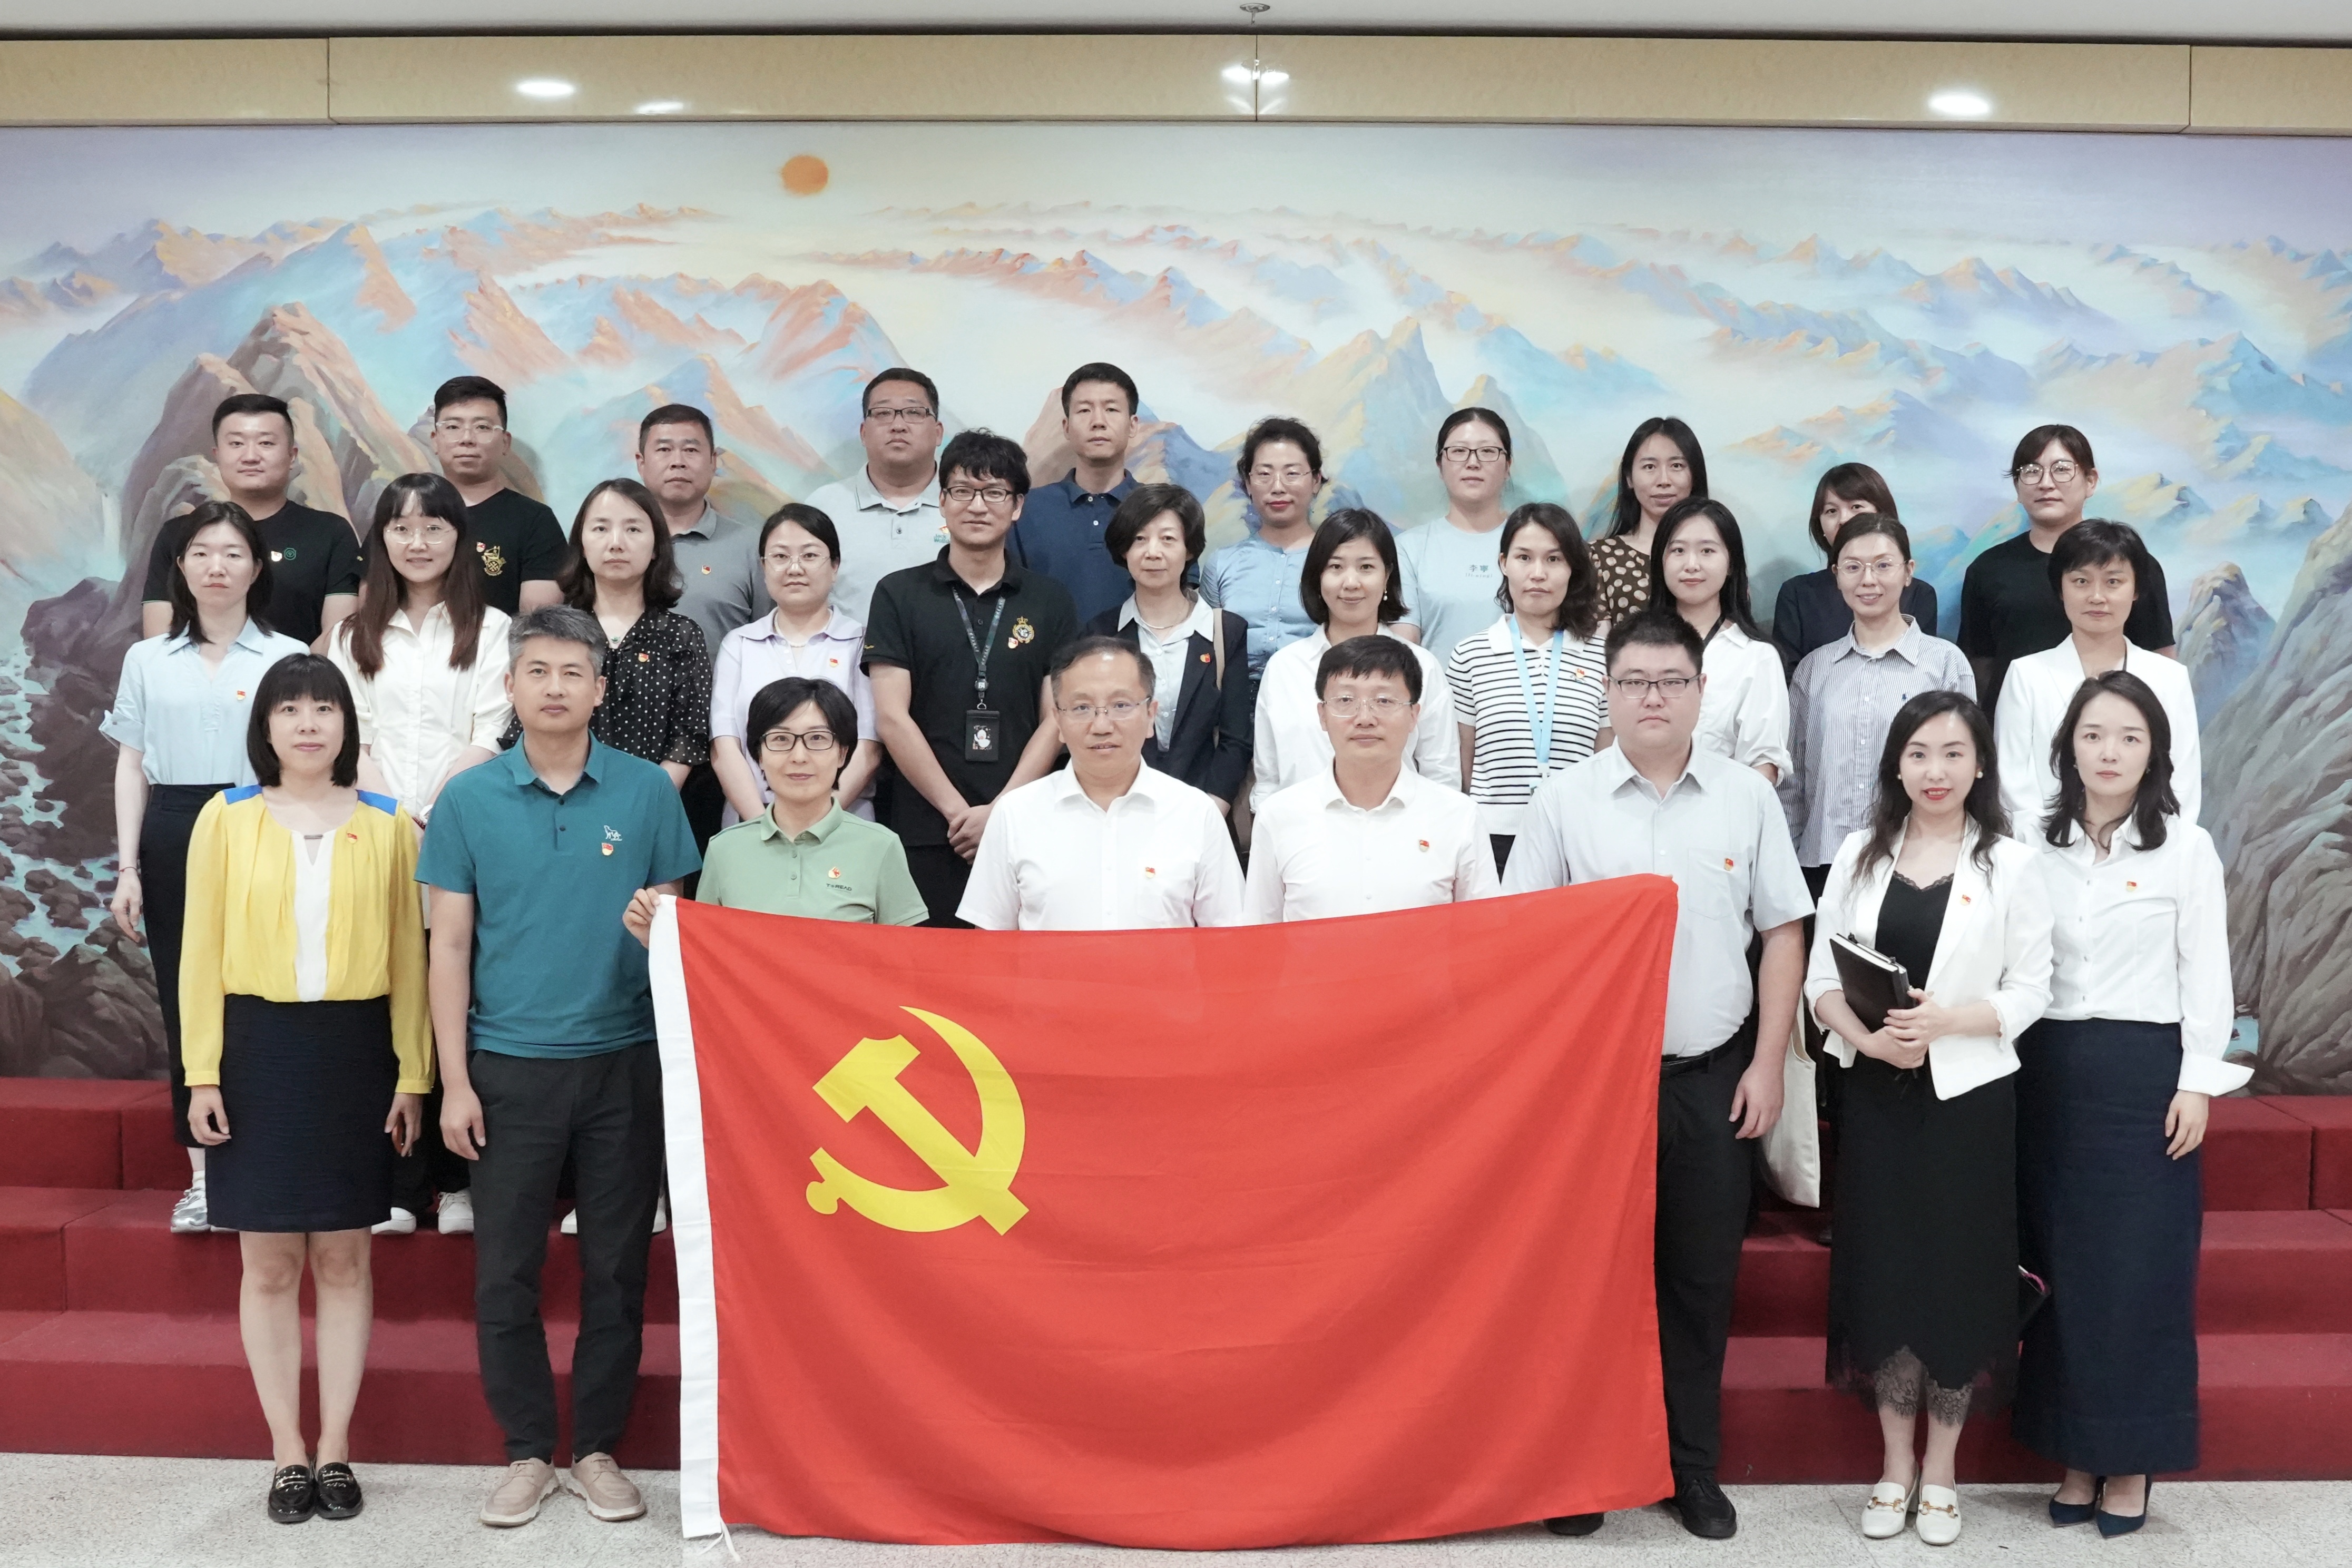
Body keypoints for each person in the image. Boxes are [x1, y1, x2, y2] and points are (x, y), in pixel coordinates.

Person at [1504, 611, 1810, 1542]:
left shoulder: (1745, 799)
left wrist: (1767, 1063)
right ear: (1607, 691)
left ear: (1699, 692)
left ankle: (1690, 1471)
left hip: (1711, 1078)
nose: (1652, 697)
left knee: (1696, 1284)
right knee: (1584, 1284)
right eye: (1633, 681)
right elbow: (1522, 944)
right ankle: (1578, 1469)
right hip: (1593, 1089)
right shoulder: (1563, 800)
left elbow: (1782, 932)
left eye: (1671, 681)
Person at [419, 606, 700, 1531]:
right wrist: (455, 1081)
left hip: (625, 1062)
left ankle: (598, 1450)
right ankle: (527, 1451)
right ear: (509, 686)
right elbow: (448, 946)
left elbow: (674, 930)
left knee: (617, 1267)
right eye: (536, 671)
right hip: (508, 1066)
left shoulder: (646, 792)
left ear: (600, 688)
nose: (553, 687)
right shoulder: (468, 799)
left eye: (573, 672)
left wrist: (657, 928)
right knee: (506, 1269)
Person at [178, 655, 431, 1526]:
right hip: (257, 1053)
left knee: (345, 1257)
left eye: (325, 708)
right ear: (266, 727)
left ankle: (335, 1448)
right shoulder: (225, 817)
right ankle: (287, 1450)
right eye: (290, 709)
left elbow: (410, 960)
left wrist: (413, 1074)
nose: (309, 724)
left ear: (347, 725)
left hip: (356, 1054)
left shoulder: (390, 824)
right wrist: (202, 1072)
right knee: (271, 1263)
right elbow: (199, 953)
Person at [1805, 692, 2052, 1546]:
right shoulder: (1858, 854)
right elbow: (1820, 981)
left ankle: (1940, 1473)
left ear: (1979, 765)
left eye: (1952, 753)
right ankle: (1892, 1467)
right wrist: (1869, 1042)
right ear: (1896, 766)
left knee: (1955, 1277)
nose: (1934, 770)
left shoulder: (2009, 865)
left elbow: (2031, 989)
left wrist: (1946, 1022)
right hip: (1877, 1096)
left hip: (1968, 1101)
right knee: (1884, 1273)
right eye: (1917, 754)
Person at [2016, 671, 2246, 1538]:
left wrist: (2196, 1079)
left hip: (2144, 1075)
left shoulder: (2184, 849)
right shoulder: (2031, 845)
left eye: (2128, 737)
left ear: (2154, 753)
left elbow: (2206, 972)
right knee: (2064, 1274)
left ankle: (2132, 1460)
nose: (2108, 752)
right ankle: (2076, 1454)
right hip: (2046, 1071)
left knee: (2138, 1275)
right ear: (2066, 749)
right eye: (2092, 735)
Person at [104, 499, 308, 1234]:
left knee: (270, 994)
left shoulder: (289, 657)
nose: (216, 566)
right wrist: (128, 868)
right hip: (174, 825)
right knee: (185, 999)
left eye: (232, 553)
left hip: (266, 822)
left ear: (256, 568)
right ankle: (201, 1179)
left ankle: (274, 1166)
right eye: (201, 553)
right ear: (181, 568)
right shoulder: (146, 658)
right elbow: (131, 765)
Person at [326, 472, 511, 1237]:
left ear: (459, 539)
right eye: (401, 528)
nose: (418, 542)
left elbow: (490, 731)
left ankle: (460, 1182)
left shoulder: (494, 630)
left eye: (434, 527)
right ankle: (399, 1186)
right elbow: (351, 736)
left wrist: (438, 812)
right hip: (376, 834)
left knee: (459, 1003)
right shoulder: (352, 635)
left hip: (465, 832)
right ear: (382, 540)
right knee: (389, 1001)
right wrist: (398, 818)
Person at [864, 428, 1079, 925]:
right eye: (962, 490)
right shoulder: (898, 594)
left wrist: (1001, 813)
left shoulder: (1050, 601)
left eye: (995, 492)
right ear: (942, 501)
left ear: (1018, 505)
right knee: (928, 969)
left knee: (1021, 967)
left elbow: (1057, 719)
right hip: (926, 826)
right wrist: (957, 812)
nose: (978, 506)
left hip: (1027, 824)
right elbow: (892, 717)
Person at [961, 638, 1244, 930]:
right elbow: (990, 942)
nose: (1102, 726)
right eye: (1082, 708)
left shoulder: (1196, 814)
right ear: (1058, 721)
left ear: (1151, 715)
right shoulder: (1014, 815)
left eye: (1121, 705)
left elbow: (1227, 939)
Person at [625, 678, 925, 937]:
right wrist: (657, 938)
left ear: (843, 753)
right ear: (758, 755)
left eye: (817, 738)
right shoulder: (725, 849)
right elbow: (708, 954)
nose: (799, 756)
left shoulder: (880, 846)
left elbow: (904, 959)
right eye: (780, 739)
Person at [1243, 636, 1497, 922]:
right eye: (1346, 700)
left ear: (1414, 715)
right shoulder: (1279, 817)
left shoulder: (1458, 816)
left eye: (1384, 701)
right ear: (1323, 716)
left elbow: (1484, 932)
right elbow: (1259, 932)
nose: (1365, 718)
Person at [1784, 513, 1975, 883]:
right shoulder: (1814, 669)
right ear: (1837, 575)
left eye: (1883, 565)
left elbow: (1964, 767)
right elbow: (1794, 781)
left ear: (1908, 572)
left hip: (1919, 860)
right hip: (1825, 861)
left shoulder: (1945, 664)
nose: (1868, 580)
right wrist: (1787, 863)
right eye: (1853, 567)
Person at [1994, 520, 2199, 830]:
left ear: (2136, 590)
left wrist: (2142, 845)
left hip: (2149, 845)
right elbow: (2013, 785)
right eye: (2081, 581)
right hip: (2046, 846)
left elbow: (2182, 780)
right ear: (2060, 589)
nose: (2097, 597)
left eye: (2113, 582)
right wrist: (2061, 845)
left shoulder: (2169, 677)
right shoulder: (2026, 675)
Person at [1251, 509, 1457, 811]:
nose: (1351, 582)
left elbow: (1442, 776)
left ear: (1387, 576)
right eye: (1336, 567)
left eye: (1366, 567)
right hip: (1301, 832)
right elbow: (1269, 780)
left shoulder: (1422, 666)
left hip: (1399, 830)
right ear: (1318, 577)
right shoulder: (1285, 668)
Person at [1443, 502, 1610, 872]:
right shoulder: (1470, 655)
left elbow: (1606, 758)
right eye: (1524, 558)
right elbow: (1462, 761)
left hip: (1578, 837)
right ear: (1504, 564)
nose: (1538, 574)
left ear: (1572, 568)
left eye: (1554, 559)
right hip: (1491, 840)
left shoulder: (1603, 657)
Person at [1959, 425, 2175, 709]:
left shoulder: (2131, 565)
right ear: (2017, 486)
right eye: (2031, 471)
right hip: (2016, 722)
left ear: (2091, 481)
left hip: (2111, 723)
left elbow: (2159, 657)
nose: (2046, 483)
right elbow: (1978, 666)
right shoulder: (1989, 569)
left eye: (2062, 470)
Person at [633, 403, 766, 856]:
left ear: (714, 461)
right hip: (627, 743)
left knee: (710, 874)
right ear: (641, 462)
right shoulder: (616, 542)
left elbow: (767, 641)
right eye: (664, 449)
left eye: (691, 450)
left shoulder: (749, 546)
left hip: (719, 750)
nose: (678, 461)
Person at [140, 393, 362, 650]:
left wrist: (290, 675)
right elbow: (159, 642)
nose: (250, 456)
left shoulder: (330, 533)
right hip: (199, 675)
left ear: (292, 456)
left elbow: (337, 637)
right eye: (236, 444)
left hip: (301, 675)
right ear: (217, 455)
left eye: (266, 443)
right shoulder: (178, 534)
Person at [1082, 484, 1253, 811]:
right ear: (1124, 550)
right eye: (1139, 539)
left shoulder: (1226, 632)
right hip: (1120, 808)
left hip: (1204, 809)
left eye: (1168, 539)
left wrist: (1210, 812)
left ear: (1189, 549)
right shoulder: (1101, 634)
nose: (1153, 552)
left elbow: (1236, 739)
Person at [710, 504, 878, 827]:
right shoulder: (739, 644)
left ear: (835, 566)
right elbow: (724, 746)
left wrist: (817, 823)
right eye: (780, 556)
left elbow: (869, 748)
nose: (795, 568)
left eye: (810, 555)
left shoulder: (861, 642)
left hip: (843, 820)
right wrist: (765, 825)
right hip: (752, 822)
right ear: (764, 567)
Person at [549, 478, 713, 790]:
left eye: (633, 529)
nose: (616, 543)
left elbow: (689, 738)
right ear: (582, 545)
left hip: (654, 799)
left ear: (656, 548)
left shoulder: (681, 636)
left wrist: (643, 802)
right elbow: (530, 727)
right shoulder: (554, 634)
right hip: (560, 799)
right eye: (601, 528)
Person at [1648, 499, 1790, 783]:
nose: (1691, 565)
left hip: (1722, 806)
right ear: (1661, 561)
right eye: (1678, 550)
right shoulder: (1634, 647)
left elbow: (1764, 763)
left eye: (1707, 551)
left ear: (1730, 564)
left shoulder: (1756, 656)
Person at [803, 367, 948, 623]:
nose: (898, 426)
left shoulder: (966, 507)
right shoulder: (823, 507)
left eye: (914, 413)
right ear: (863, 433)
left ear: (938, 433)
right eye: (883, 413)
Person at [1770, 463, 1940, 677]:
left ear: (1882, 514)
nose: (1843, 519)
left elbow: (1925, 670)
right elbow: (1788, 679)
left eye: (1856, 507)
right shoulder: (1798, 594)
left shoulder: (1919, 594)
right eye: (1831, 511)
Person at [1008, 362, 1143, 623]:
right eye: (1084, 410)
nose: (1098, 422)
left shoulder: (1161, 511)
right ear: (1066, 427)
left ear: (1133, 425)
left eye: (1111, 409)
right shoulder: (1026, 510)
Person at [426, 376, 566, 619]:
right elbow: (376, 602)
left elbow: (539, 625)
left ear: (505, 442)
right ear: (435, 440)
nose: (467, 439)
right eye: (453, 427)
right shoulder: (405, 514)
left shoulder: (535, 521)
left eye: (482, 427)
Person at [1199, 416, 1325, 684]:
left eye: (1292, 473)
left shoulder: (1335, 561)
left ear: (1316, 480)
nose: (1278, 487)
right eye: (1264, 474)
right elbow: (1205, 650)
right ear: (1247, 483)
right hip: (1236, 700)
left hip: (1313, 695)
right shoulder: (1222, 563)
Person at [1395, 407, 1515, 662]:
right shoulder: (1409, 548)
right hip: (1435, 686)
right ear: (1440, 465)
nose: (1473, 462)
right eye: (1459, 451)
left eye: (1488, 451)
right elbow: (1405, 646)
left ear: (1508, 466)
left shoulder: (1534, 546)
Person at [1589, 416, 1704, 620]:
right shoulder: (1600, 558)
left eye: (1677, 466)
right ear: (1629, 478)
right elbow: (1595, 638)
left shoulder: (1717, 553)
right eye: (1650, 467)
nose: (1664, 480)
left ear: (1695, 475)